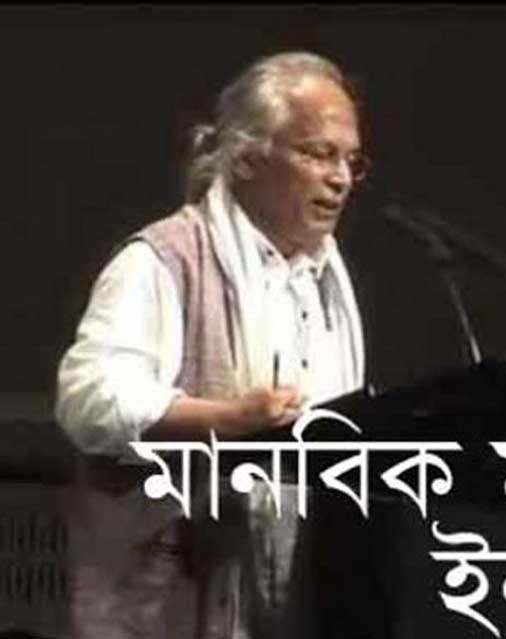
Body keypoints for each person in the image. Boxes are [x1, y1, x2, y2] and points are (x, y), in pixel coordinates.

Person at [55, 51, 367, 639]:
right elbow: (88, 399)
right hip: (169, 597)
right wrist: (228, 418)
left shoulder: (326, 283)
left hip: (288, 598)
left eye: (351, 160)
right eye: (318, 153)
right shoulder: (164, 260)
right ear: (247, 157)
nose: (341, 178)